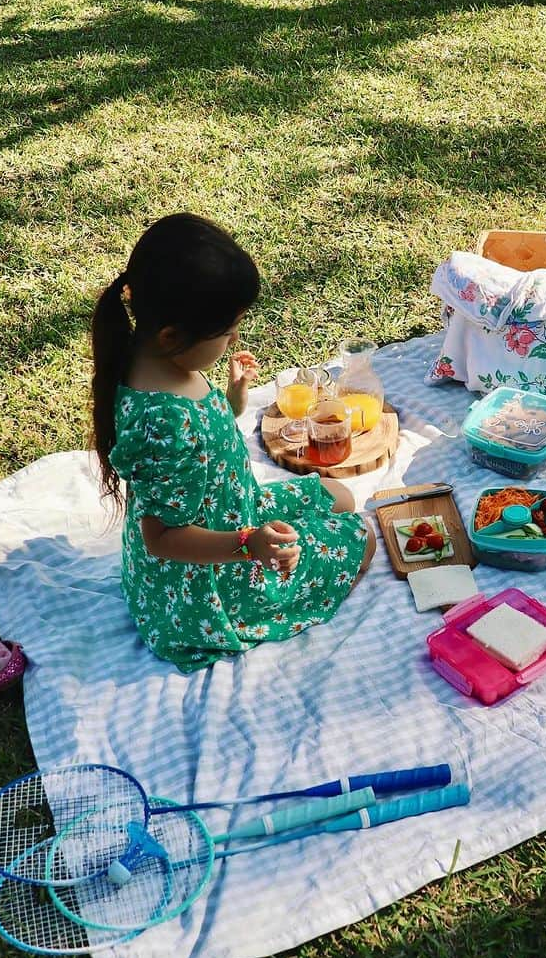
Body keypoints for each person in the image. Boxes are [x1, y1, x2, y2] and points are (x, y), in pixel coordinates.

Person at [90, 213, 375, 671]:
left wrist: (231, 400)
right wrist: (250, 545)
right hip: (204, 582)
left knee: (339, 495)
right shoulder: (164, 421)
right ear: (172, 335)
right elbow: (161, 537)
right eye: (227, 331)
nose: (235, 337)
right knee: (360, 538)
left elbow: (204, 443)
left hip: (234, 505)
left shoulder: (158, 360)